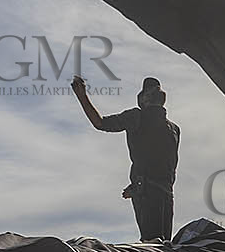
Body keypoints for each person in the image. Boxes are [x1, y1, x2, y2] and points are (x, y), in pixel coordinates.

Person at [72, 75, 180, 241]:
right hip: (162, 192)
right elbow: (162, 161)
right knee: (162, 244)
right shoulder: (173, 128)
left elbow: (100, 123)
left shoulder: (137, 117)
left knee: (155, 245)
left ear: (144, 99)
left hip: (153, 191)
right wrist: (137, 185)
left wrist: (82, 96)